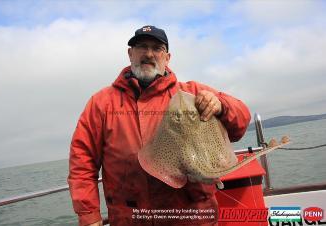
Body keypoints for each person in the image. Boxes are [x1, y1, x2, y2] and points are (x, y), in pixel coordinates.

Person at [68, 25, 251, 226]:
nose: (148, 54)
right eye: (141, 47)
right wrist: (89, 216)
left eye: (157, 48)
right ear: (130, 54)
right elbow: (82, 163)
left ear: (167, 57)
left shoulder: (192, 93)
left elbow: (241, 120)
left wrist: (221, 106)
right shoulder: (101, 104)